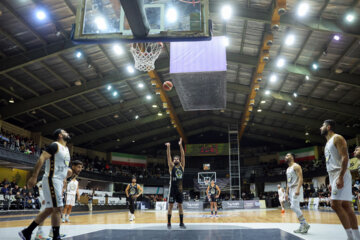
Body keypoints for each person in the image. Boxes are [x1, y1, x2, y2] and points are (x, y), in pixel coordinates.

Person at [19, 129, 72, 240]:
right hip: (51, 179)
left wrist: (65, 178)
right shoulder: (55, 145)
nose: (67, 133)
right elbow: (42, 157)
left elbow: (62, 166)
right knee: (57, 209)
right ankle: (56, 236)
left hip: (58, 181)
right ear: (60, 135)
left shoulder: (66, 149)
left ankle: (27, 232)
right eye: (65, 132)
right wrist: (34, 176)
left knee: (49, 209)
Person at [321, 119, 360, 240]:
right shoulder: (327, 144)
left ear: (328, 127)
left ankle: (350, 237)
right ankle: (356, 236)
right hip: (334, 175)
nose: (320, 128)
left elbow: (345, 157)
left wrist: (341, 177)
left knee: (335, 204)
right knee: (346, 206)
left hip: (340, 173)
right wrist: (331, 181)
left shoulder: (337, 138)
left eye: (322, 126)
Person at [285, 153, 310, 234]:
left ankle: (305, 224)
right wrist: (286, 192)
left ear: (292, 157)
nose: (286, 157)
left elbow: (301, 178)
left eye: (287, 156)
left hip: (296, 187)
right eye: (285, 156)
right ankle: (302, 225)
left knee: (293, 207)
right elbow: (288, 182)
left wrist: (298, 189)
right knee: (296, 208)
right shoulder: (288, 169)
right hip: (291, 189)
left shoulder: (296, 166)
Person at [166, 138, 186, 229]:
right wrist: (168, 147)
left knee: (180, 205)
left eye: (177, 159)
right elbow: (168, 156)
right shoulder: (171, 167)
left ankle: (181, 223)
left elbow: (183, 155)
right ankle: (169, 223)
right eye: (175, 159)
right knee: (170, 206)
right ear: (173, 161)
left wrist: (180, 145)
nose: (176, 159)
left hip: (180, 189)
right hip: (172, 189)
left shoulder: (182, 166)